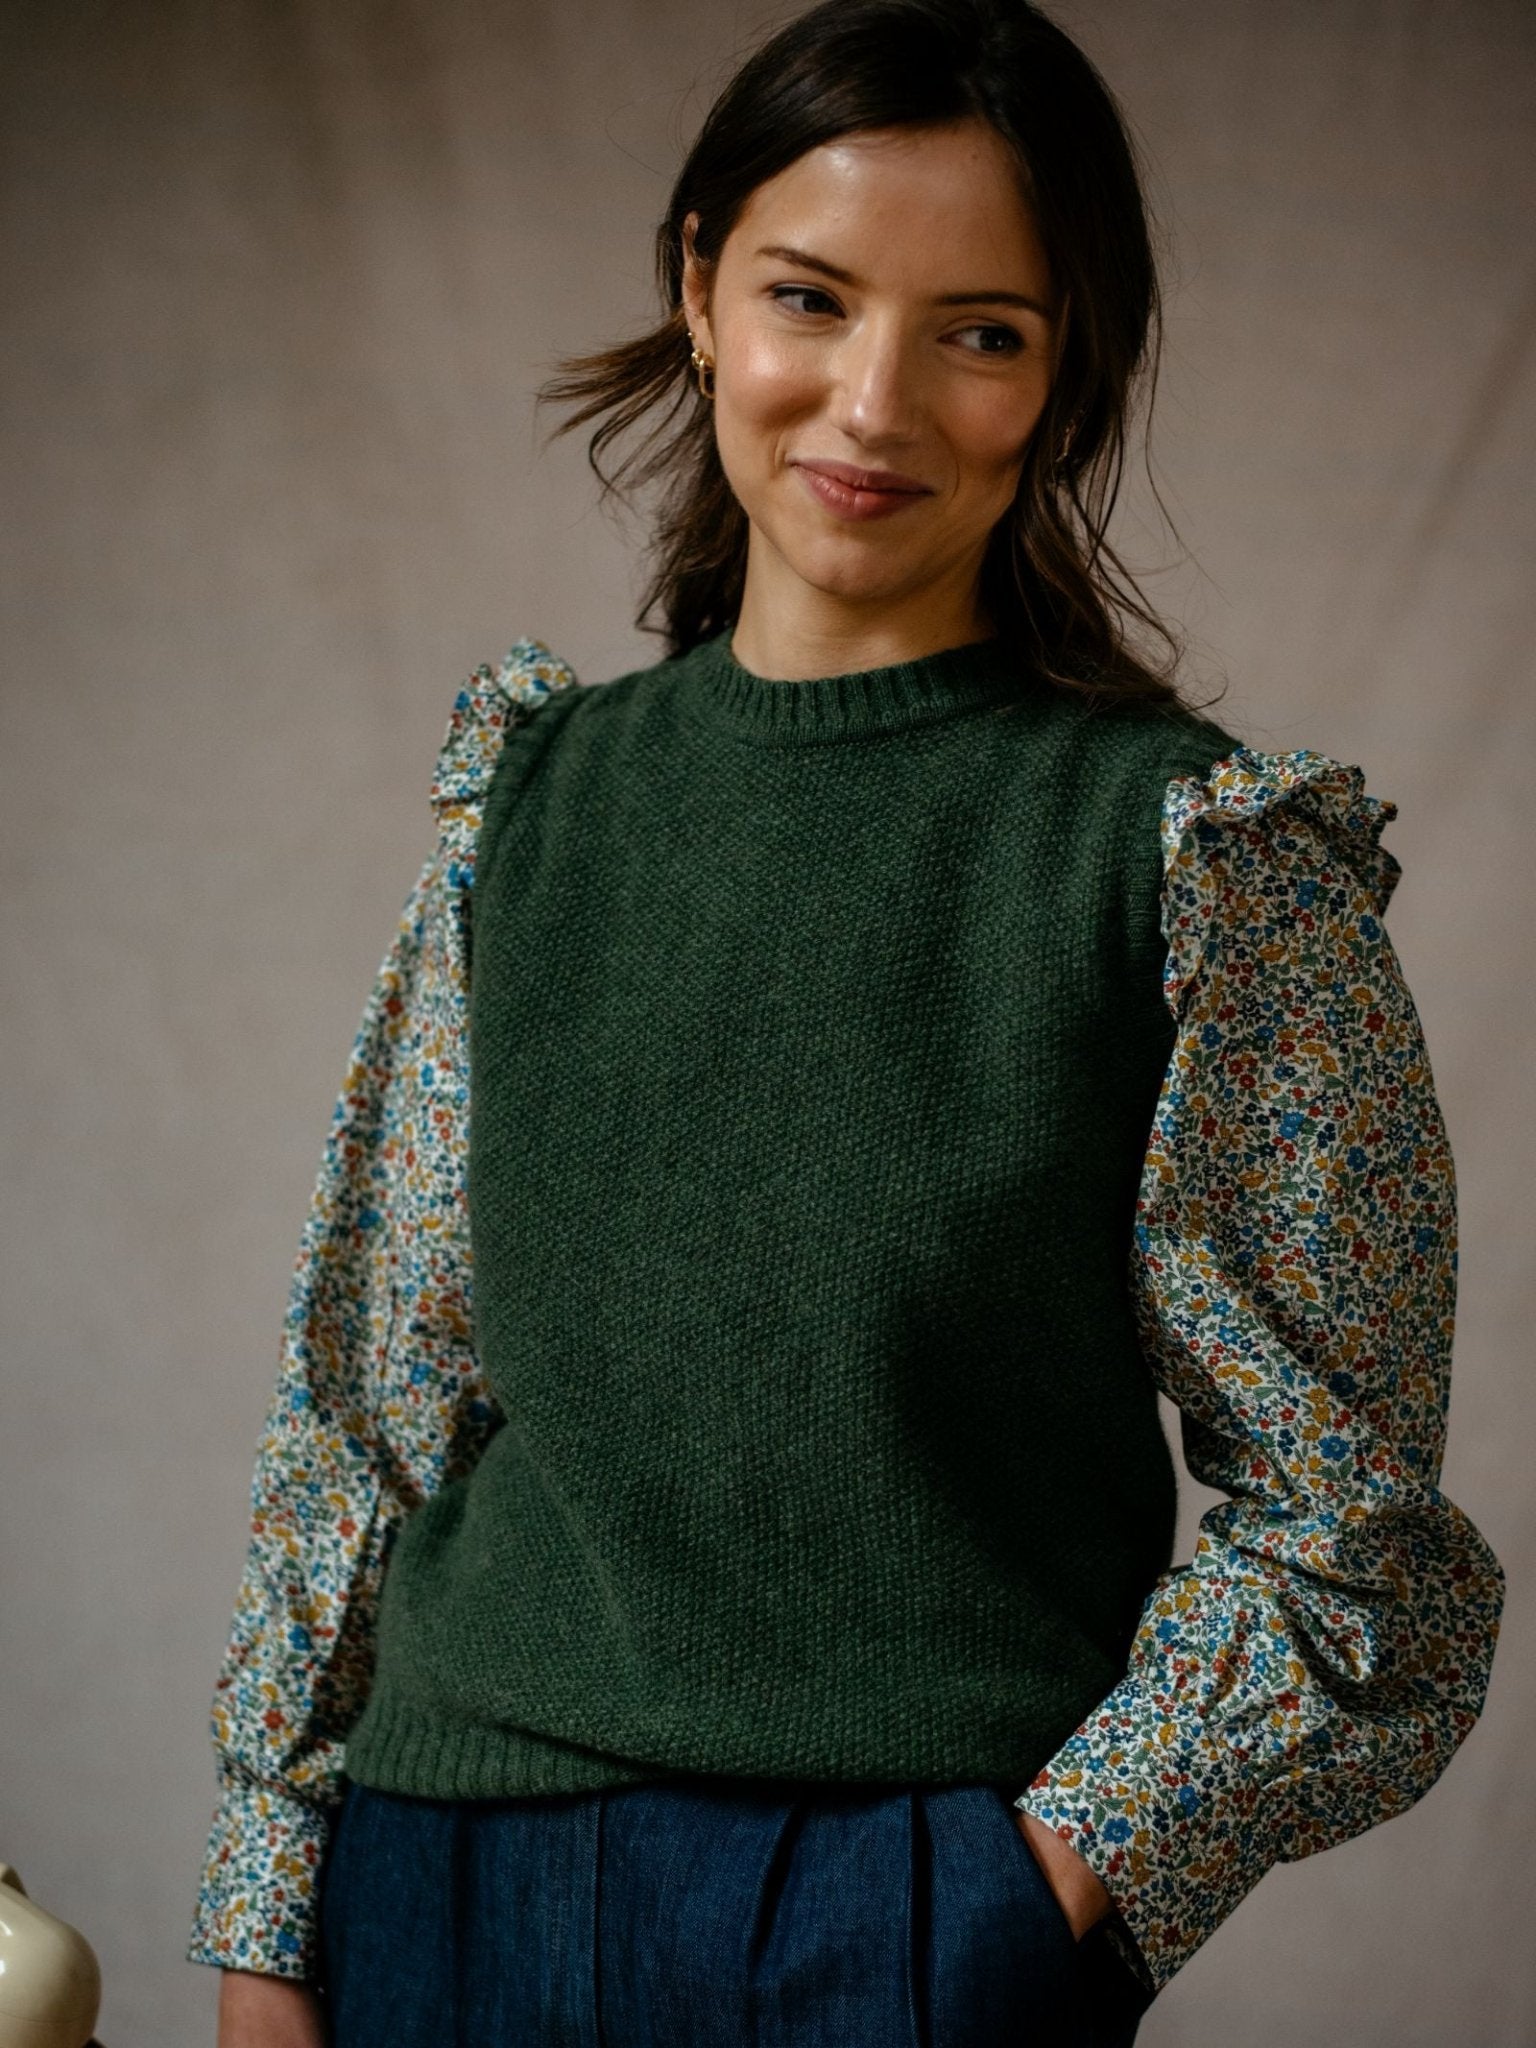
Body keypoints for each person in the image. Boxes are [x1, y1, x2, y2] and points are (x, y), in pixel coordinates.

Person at [188, 2, 1506, 2043]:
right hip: (438, 1878)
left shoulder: (1193, 862)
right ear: (701, 286)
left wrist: (1021, 1886)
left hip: (905, 1902)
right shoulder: (527, 814)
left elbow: (1350, 1533)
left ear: (1068, 371)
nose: (873, 401)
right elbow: (370, 1406)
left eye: (982, 328)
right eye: (812, 297)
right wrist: (271, 1910)